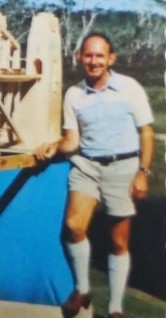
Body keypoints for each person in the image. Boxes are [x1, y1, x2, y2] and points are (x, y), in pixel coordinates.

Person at [35, 32, 154, 318]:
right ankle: (83, 289)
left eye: (100, 55)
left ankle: (115, 307)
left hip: (123, 168)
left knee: (118, 241)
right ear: (80, 58)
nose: (94, 61)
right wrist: (54, 145)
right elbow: (72, 140)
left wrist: (143, 172)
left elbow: (146, 133)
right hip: (86, 167)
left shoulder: (130, 88)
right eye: (88, 55)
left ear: (111, 58)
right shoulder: (74, 94)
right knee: (74, 227)